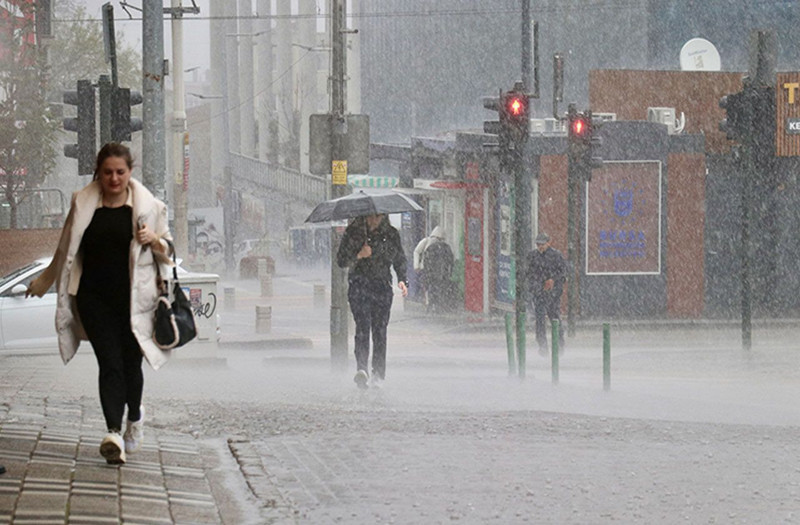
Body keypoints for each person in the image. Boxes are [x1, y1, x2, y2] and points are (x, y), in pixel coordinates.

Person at [26, 142, 173, 465]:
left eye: (120, 172)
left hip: (136, 301)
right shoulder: (84, 203)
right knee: (110, 364)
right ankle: (112, 434)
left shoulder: (149, 208)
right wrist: (44, 281)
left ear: (130, 172)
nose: (114, 178)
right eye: (107, 172)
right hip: (94, 299)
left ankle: (134, 416)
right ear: (99, 172)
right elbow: (65, 248)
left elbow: (169, 252)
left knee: (132, 366)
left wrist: (155, 240)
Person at [337, 213, 408, 389]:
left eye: (378, 217)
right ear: (364, 217)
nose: (374, 221)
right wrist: (359, 255)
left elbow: (399, 258)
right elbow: (341, 260)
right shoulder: (353, 233)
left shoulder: (391, 234)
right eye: (371, 217)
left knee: (380, 331)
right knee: (362, 328)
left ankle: (378, 374)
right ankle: (362, 369)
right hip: (359, 285)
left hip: (381, 287)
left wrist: (402, 279)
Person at [527, 232, 566, 355]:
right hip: (539, 293)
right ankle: (542, 346)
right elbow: (528, 273)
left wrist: (553, 280)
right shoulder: (532, 256)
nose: (540, 247)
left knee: (555, 318)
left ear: (549, 243)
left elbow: (563, 273)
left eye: (542, 244)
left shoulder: (556, 256)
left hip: (553, 294)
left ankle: (559, 345)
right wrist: (535, 287)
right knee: (540, 320)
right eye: (538, 244)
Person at [421, 230, 454, 313]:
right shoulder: (446, 247)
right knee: (442, 289)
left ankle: (432, 305)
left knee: (433, 289)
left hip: (433, 273)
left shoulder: (430, 248)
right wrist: (449, 272)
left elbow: (426, 261)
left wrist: (427, 271)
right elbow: (451, 261)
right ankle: (440, 306)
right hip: (443, 273)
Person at [412, 226, 445, 305]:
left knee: (428, 284)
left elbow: (416, 251)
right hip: (427, 268)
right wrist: (417, 265)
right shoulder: (426, 241)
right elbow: (416, 251)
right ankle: (428, 300)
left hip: (432, 268)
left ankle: (430, 301)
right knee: (427, 284)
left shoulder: (428, 241)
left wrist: (417, 266)